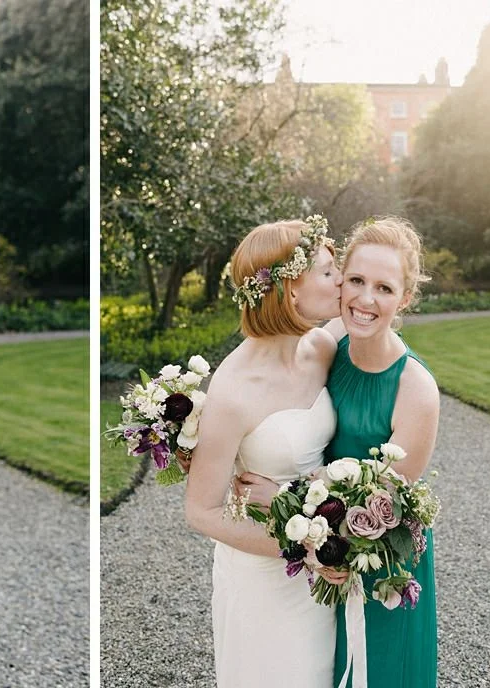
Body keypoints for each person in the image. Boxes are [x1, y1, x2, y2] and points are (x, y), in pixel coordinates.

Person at [240, 216, 439, 687]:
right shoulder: (329, 344)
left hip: (380, 558)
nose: (366, 299)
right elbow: (266, 383)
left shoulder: (415, 389)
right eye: (356, 280)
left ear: (404, 298)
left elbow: (382, 504)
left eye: (384, 288)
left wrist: (284, 496)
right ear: (340, 281)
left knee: (381, 673)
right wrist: (198, 435)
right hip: (323, 554)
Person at [181, 218, 345, 688]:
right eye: (329, 271)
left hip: (325, 568)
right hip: (265, 576)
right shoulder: (235, 389)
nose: (341, 280)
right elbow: (201, 510)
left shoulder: (319, 346)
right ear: (291, 288)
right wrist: (306, 548)